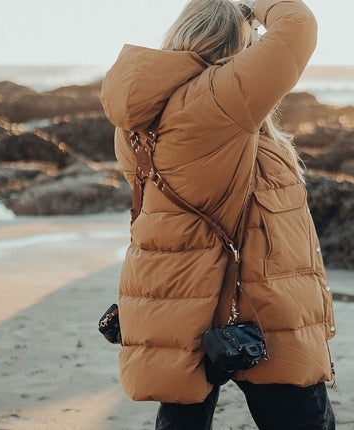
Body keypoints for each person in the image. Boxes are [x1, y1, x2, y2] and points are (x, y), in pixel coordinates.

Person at [100, 0, 336, 428]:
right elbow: (298, 25)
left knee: (181, 419)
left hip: (174, 299)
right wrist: (256, 4)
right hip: (256, 305)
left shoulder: (141, 119)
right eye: (252, 43)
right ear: (233, 47)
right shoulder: (214, 104)